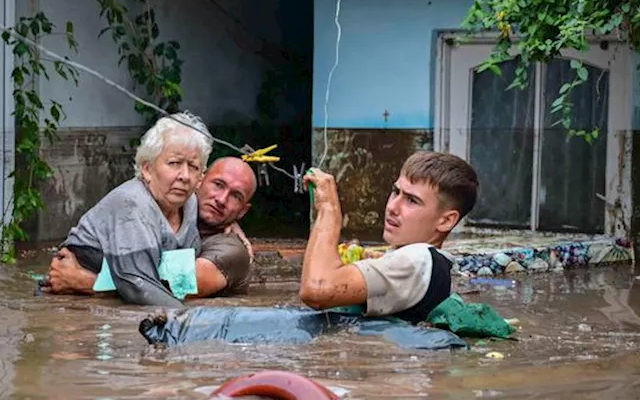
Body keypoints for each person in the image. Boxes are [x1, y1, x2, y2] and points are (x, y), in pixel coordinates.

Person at [47, 112, 211, 308]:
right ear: (147, 169)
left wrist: (89, 283)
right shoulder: (133, 203)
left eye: (193, 166)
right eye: (174, 163)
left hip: (101, 293)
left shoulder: (191, 203)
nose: (184, 175)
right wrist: (194, 323)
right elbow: (138, 286)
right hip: (71, 306)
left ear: (201, 176)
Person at [298, 151, 479, 322]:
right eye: (396, 191)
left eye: (412, 200)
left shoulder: (416, 259)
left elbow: (317, 289)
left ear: (446, 220)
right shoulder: (432, 263)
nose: (393, 206)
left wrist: (328, 210)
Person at [46, 155, 258, 299]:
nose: (221, 199)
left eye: (235, 196)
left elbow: (175, 288)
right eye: (218, 185)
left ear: (242, 211)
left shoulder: (232, 251)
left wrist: (84, 282)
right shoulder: (169, 210)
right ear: (199, 180)